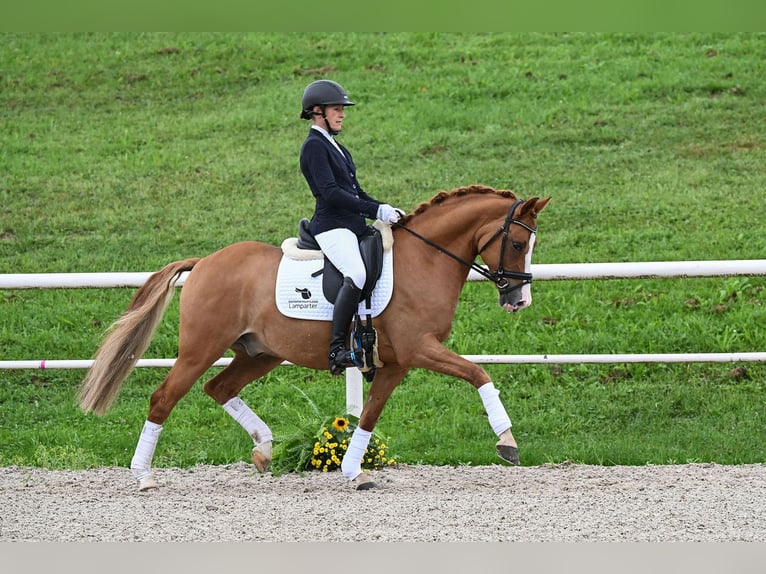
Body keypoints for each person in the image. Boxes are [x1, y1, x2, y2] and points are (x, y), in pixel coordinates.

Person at [299, 79, 403, 375]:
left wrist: (384, 208)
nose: (342, 114)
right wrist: (373, 210)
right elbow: (331, 193)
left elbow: (356, 192)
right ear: (317, 111)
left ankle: (367, 337)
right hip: (332, 226)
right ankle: (335, 349)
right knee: (355, 272)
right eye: (336, 109)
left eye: (342, 109)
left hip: (352, 225)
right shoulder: (314, 147)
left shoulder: (338, 147)